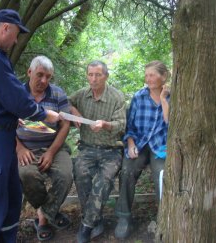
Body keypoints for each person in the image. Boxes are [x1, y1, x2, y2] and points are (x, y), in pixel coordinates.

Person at [0, 9, 60, 243]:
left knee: (11, 198)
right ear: (5, 27)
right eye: (15, 34)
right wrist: (45, 114)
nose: (16, 41)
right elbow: (18, 100)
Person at [16, 55, 73, 241]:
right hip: (26, 148)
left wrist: (51, 152)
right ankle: (48, 212)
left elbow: (65, 125)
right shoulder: (15, 93)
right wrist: (19, 148)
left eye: (48, 77)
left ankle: (43, 217)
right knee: (26, 175)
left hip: (54, 146)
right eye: (40, 75)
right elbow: (5, 124)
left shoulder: (57, 94)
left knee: (65, 176)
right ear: (29, 72)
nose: (44, 81)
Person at [69, 60, 126, 243]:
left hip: (111, 150)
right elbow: (64, 102)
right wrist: (74, 111)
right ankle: (95, 219)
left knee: (104, 181)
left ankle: (86, 227)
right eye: (90, 74)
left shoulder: (116, 97)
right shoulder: (81, 95)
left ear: (106, 76)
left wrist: (105, 124)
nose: (93, 79)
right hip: (87, 148)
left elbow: (121, 125)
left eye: (98, 75)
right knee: (80, 173)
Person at [114, 60, 170, 239]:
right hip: (139, 143)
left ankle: (164, 221)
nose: (148, 79)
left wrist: (163, 100)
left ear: (164, 76)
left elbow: (171, 125)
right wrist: (130, 144)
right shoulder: (139, 96)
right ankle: (124, 217)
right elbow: (129, 126)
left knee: (162, 175)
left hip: (161, 146)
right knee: (127, 170)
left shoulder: (173, 97)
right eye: (146, 75)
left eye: (152, 75)